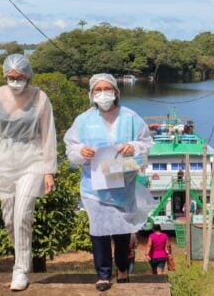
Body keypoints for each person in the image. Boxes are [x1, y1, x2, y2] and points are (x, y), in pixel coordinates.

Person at [64, 73, 155, 292]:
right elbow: (71, 147)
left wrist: (134, 146)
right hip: (94, 187)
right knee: (99, 231)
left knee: (122, 231)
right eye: (98, 90)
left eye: (107, 89)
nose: (103, 94)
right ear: (92, 94)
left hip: (123, 185)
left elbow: (147, 142)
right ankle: (103, 274)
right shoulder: (83, 120)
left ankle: (122, 268)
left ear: (116, 92)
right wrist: (81, 152)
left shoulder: (131, 117)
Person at [0, 54, 57, 291]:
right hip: (4, 159)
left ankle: (20, 270)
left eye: (19, 77)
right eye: (11, 77)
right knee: (10, 217)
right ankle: (21, 260)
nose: (15, 81)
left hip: (32, 157)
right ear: (4, 75)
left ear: (28, 75)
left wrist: (49, 170)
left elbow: (48, 134)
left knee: (23, 213)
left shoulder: (40, 97)